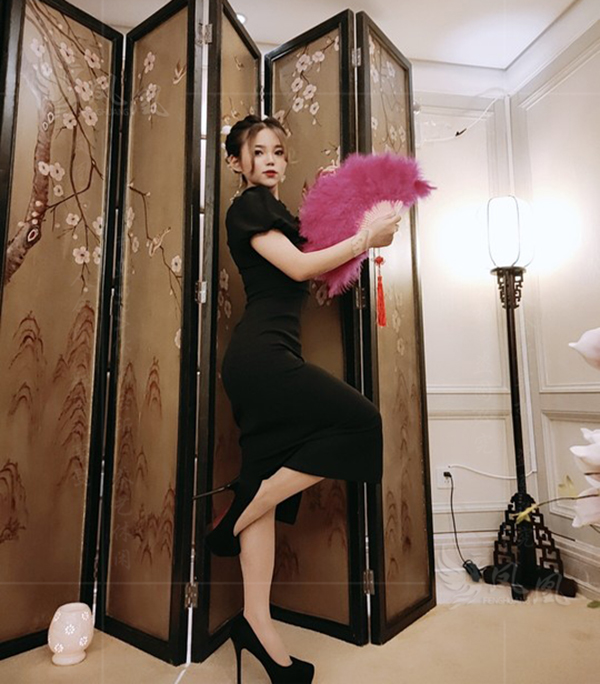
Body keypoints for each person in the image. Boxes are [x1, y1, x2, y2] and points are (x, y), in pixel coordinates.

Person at [199, 114, 403, 683]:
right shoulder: (248, 207)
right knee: (362, 423)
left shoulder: (278, 214)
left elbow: (316, 258)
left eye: (278, 151)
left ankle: (258, 629)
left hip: (268, 356)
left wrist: (353, 217)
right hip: (263, 358)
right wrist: (364, 238)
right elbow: (298, 266)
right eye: (257, 151)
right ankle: (243, 506)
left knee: (264, 485)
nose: (270, 160)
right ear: (236, 162)